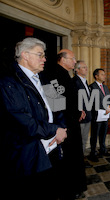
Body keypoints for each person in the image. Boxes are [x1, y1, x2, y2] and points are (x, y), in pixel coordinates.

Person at [0, 37, 67, 199]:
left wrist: (61, 129)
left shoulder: (45, 78)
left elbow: (59, 106)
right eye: (40, 55)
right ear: (25, 55)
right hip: (30, 152)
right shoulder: (9, 82)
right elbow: (23, 121)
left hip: (53, 145)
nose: (44, 59)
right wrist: (54, 129)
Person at [40, 49, 87, 199]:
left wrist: (79, 110)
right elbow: (55, 102)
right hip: (64, 124)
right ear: (62, 59)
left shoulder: (66, 74)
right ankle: (68, 190)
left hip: (72, 121)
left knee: (75, 156)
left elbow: (70, 97)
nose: (75, 62)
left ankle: (76, 186)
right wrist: (73, 114)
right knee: (67, 158)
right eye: (72, 59)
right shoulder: (52, 73)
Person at [89, 68, 110, 161]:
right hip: (97, 115)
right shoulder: (92, 87)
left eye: (104, 74)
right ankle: (93, 152)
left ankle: (103, 149)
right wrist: (104, 108)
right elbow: (92, 101)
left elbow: (109, 98)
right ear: (96, 76)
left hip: (106, 114)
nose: (104, 76)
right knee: (95, 134)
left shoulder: (105, 87)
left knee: (103, 133)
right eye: (102, 74)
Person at [72, 61, 92, 158]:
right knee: (78, 141)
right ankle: (78, 161)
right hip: (80, 117)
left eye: (86, 67)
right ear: (77, 70)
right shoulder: (74, 81)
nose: (86, 69)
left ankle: (81, 160)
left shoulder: (85, 81)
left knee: (84, 140)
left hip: (87, 115)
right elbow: (73, 100)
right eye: (84, 67)